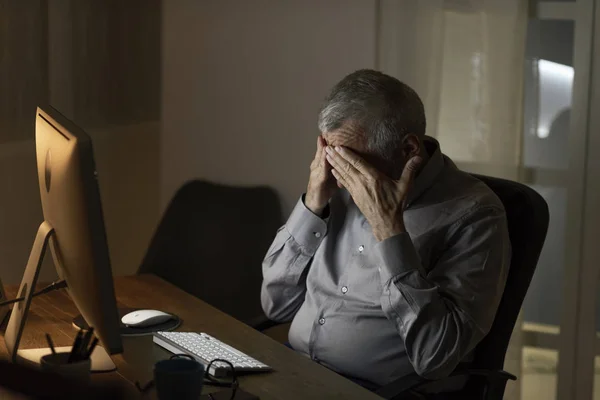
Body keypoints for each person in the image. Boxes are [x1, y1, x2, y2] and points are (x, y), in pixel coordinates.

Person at [260, 69, 511, 391]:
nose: (340, 176)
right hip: (295, 369)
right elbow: (276, 306)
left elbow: (436, 356)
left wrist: (388, 228)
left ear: (408, 150)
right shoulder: (334, 186)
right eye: (332, 156)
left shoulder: (475, 215)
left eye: (352, 161)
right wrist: (313, 202)